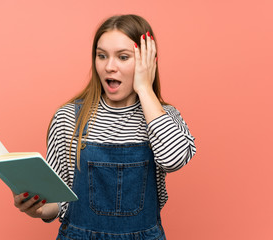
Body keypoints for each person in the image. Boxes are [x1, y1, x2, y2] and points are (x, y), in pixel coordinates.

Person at [13, 14, 196, 240]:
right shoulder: (68, 118)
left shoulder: (162, 116)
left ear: (147, 62)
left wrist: (145, 88)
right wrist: (39, 208)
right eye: (102, 56)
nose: (110, 67)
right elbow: (59, 203)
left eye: (123, 57)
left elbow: (174, 160)